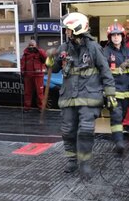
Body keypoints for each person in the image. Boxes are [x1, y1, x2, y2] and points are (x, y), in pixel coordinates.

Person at [45, 12, 116, 179]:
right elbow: (53, 69)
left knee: (85, 130)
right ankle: (71, 160)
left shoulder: (93, 48)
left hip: (89, 96)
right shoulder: (64, 48)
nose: (66, 32)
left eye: (68, 29)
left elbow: (105, 71)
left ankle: (85, 162)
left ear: (76, 29)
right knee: (68, 131)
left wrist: (110, 93)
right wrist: (49, 58)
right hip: (68, 97)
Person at [103, 21, 129, 154]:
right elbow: (103, 73)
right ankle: (119, 142)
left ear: (122, 36)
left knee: (121, 116)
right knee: (116, 116)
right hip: (113, 91)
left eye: (118, 35)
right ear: (110, 37)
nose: (116, 37)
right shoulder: (105, 52)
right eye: (113, 35)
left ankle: (118, 139)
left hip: (126, 92)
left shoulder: (128, 52)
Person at [20, 39, 47, 111]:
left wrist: (39, 50)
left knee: (40, 92)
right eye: (30, 45)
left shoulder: (40, 52)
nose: (31, 47)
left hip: (38, 75)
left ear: (36, 46)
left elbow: (45, 58)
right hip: (28, 75)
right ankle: (27, 107)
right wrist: (22, 72)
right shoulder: (25, 53)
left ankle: (41, 108)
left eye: (33, 45)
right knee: (27, 92)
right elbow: (22, 63)